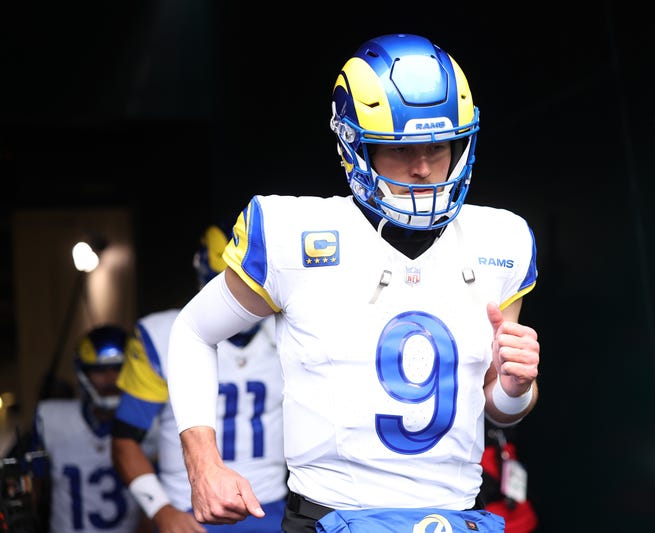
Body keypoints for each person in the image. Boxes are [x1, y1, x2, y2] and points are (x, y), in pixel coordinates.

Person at [167, 33, 541, 533]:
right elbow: (192, 331)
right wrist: (202, 462)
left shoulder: (502, 239)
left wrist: (517, 388)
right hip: (333, 515)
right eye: (399, 147)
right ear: (353, 144)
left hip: (454, 516)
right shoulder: (291, 233)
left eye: (437, 144)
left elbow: (497, 402)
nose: (424, 168)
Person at [111, 222, 287, 532]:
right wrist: (161, 510)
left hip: (270, 507)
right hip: (190, 510)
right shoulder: (162, 334)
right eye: (228, 284)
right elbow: (125, 441)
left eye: (248, 284)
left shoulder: (290, 331)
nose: (238, 298)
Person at [29, 325, 157, 533]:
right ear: (83, 372)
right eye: (99, 370)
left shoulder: (153, 424)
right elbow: (32, 490)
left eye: (119, 368)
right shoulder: (51, 419)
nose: (110, 378)